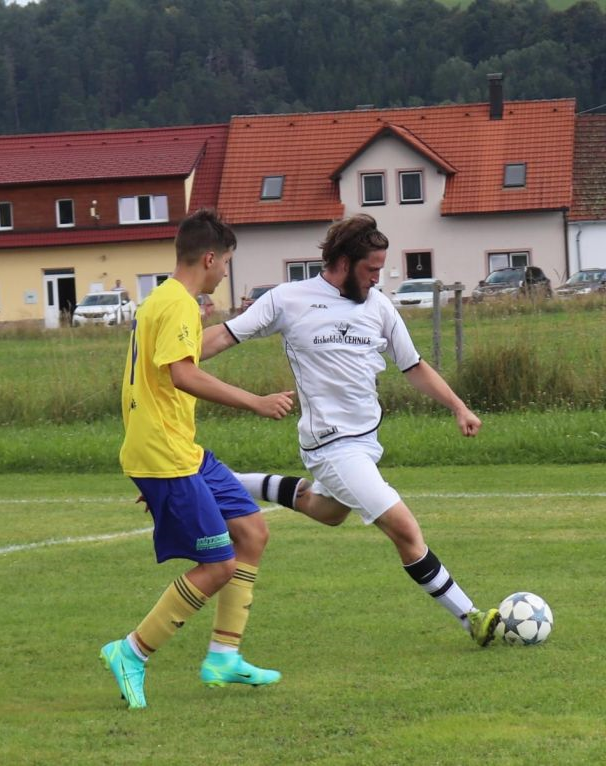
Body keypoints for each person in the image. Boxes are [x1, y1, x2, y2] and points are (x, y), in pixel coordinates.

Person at [201, 213, 501, 648]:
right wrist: (170, 355)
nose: (378, 278)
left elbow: (412, 365)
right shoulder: (290, 299)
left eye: (381, 269)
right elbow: (225, 336)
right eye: (371, 269)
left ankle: (221, 483)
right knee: (405, 530)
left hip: (365, 442)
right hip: (330, 444)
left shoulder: (378, 305)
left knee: (328, 510)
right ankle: (471, 616)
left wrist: (458, 406)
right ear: (343, 261)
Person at [100, 209, 295, 710]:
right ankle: (132, 651)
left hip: (180, 450)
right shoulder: (179, 305)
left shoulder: (162, 301)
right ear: (209, 258)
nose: (226, 271)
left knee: (252, 531)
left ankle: (224, 657)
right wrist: (255, 401)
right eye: (226, 261)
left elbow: (167, 368)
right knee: (218, 564)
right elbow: (182, 375)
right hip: (167, 456)